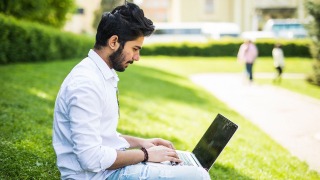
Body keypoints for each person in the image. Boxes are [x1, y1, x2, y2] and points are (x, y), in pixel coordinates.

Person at [52, 2, 210, 180]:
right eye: (135, 49)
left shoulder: (99, 74)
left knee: (179, 164)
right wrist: (146, 155)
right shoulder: (85, 84)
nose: (137, 57)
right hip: (96, 176)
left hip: (105, 171)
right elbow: (91, 158)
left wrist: (143, 143)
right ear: (114, 42)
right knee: (198, 176)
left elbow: (103, 136)